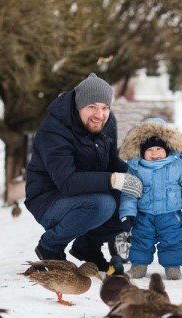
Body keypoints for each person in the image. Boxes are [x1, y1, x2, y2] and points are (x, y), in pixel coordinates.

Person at [25, 73, 143, 269]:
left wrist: (138, 176)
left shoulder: (107, 122)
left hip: (87, 193)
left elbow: (111, 160)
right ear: (79, 105)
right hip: (49, 200)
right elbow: (67, 182)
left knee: (137, 199)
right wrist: (113, 180)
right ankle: (50, 246)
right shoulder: (54, 129)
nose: (100, 114)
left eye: (105, 108)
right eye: (92, 107)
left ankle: (87, 246)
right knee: (103, 204)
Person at [118, 118, 182, 280]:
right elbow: (129, 193)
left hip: (170, 215)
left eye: (159, 148)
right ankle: (138, 266)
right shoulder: (136, 168)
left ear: (167, 149)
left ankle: (172, 267)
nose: (155, 153)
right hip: (144, 215)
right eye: (150, 150)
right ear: (142, 151)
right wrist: (127, 213)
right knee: (141, 240)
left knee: (172, 240)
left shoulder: (178, 166)